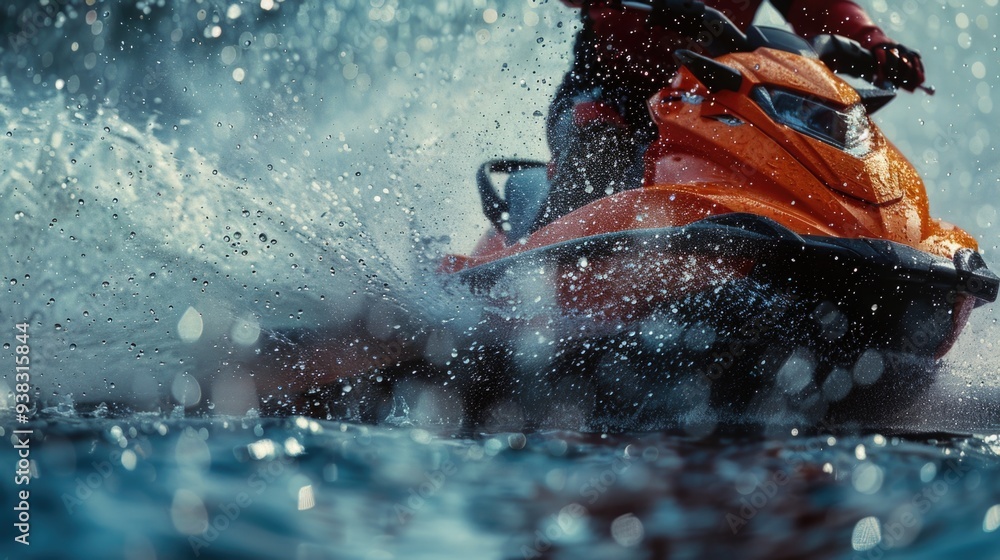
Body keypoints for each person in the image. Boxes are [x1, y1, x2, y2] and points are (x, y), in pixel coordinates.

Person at [544, 0, 926, 219]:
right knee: (600, 142)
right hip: (608, 97)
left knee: (778, 142)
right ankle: (545, 274)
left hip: (703, 96)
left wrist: (875, 44)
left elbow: (820, 6)